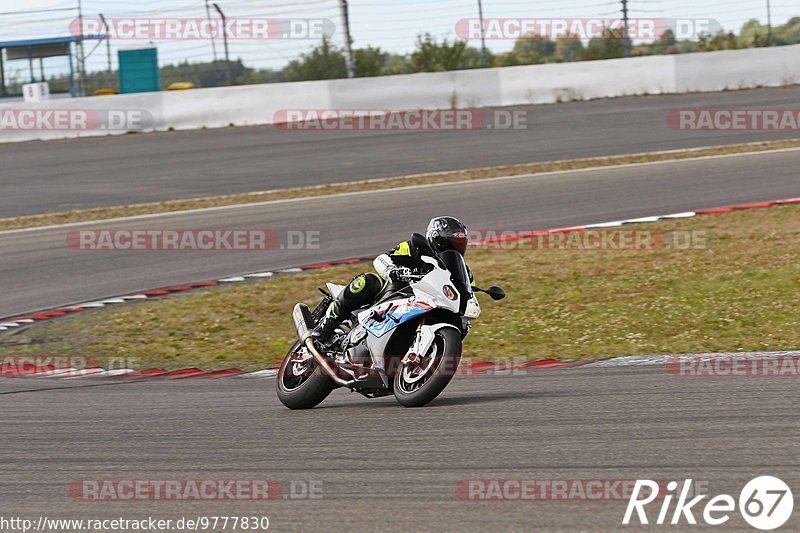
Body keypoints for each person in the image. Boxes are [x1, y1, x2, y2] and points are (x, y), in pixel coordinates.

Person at [311, 216, 471, 345]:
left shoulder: (464, 273)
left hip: (428, 305)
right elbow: (383, 258)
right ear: (437, 239)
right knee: (368, 281)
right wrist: (392, 270)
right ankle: (325, 327)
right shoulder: (414, 248)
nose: (454, 248)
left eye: (459, 243)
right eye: (449, 243)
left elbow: (468, 295)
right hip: (396, 292)